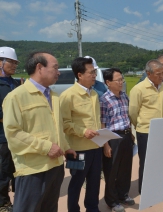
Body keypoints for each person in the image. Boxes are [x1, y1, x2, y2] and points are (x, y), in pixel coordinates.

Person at [2, 51, 76, 212]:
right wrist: (46, 147)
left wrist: (66, 146)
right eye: (55, 67)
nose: (58, 72)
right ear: (39, 67)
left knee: (49, 208)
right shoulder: (16, 97)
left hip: (56, 167)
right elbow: (13, 133)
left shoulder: (54, 96)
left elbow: (57, 127)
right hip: (33, 170)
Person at [60, 57, 102, 212]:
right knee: (76, 182)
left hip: (96, 147)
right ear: (79, 74)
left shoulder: (94, 94)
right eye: (91, 72)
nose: (94, 75)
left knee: (94, 182)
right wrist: (83, 131)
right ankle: (73, 209)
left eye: (95, 72)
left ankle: (92, 208)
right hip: (77, 150)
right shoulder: (68, 96)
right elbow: (64, 123)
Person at [129, 59, 163, 194]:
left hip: (161, 131)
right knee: (146, 163)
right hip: (145, 132)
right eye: (158, 74)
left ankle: (157, 186)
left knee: (159, 161)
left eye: (162, 74)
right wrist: (140, 124)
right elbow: (133, 112)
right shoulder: (138, 89)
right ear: (148, 74)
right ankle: (145, 191)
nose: (161, 77)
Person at [100, 68, 134, 212]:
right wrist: (105, 144)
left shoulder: (124, 96)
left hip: (126, 136)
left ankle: (123, 195)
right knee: (111, 171)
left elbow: (127, 117)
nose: (121, 82)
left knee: (125, 169)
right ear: (108, 82)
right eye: (118, 80)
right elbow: (102, 124)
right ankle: (112, 201)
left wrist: (131, 134)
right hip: (113, 137)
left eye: (122, 79)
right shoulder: (104, 100)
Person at [0, 47, 20, 212]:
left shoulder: (15, 83)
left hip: (18, 136)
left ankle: (18, 200)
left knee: (17, 170)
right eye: (11, 62)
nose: (14, 65)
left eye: (15, 63)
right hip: (2, 137)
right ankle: (3, 203)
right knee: (3, 171)